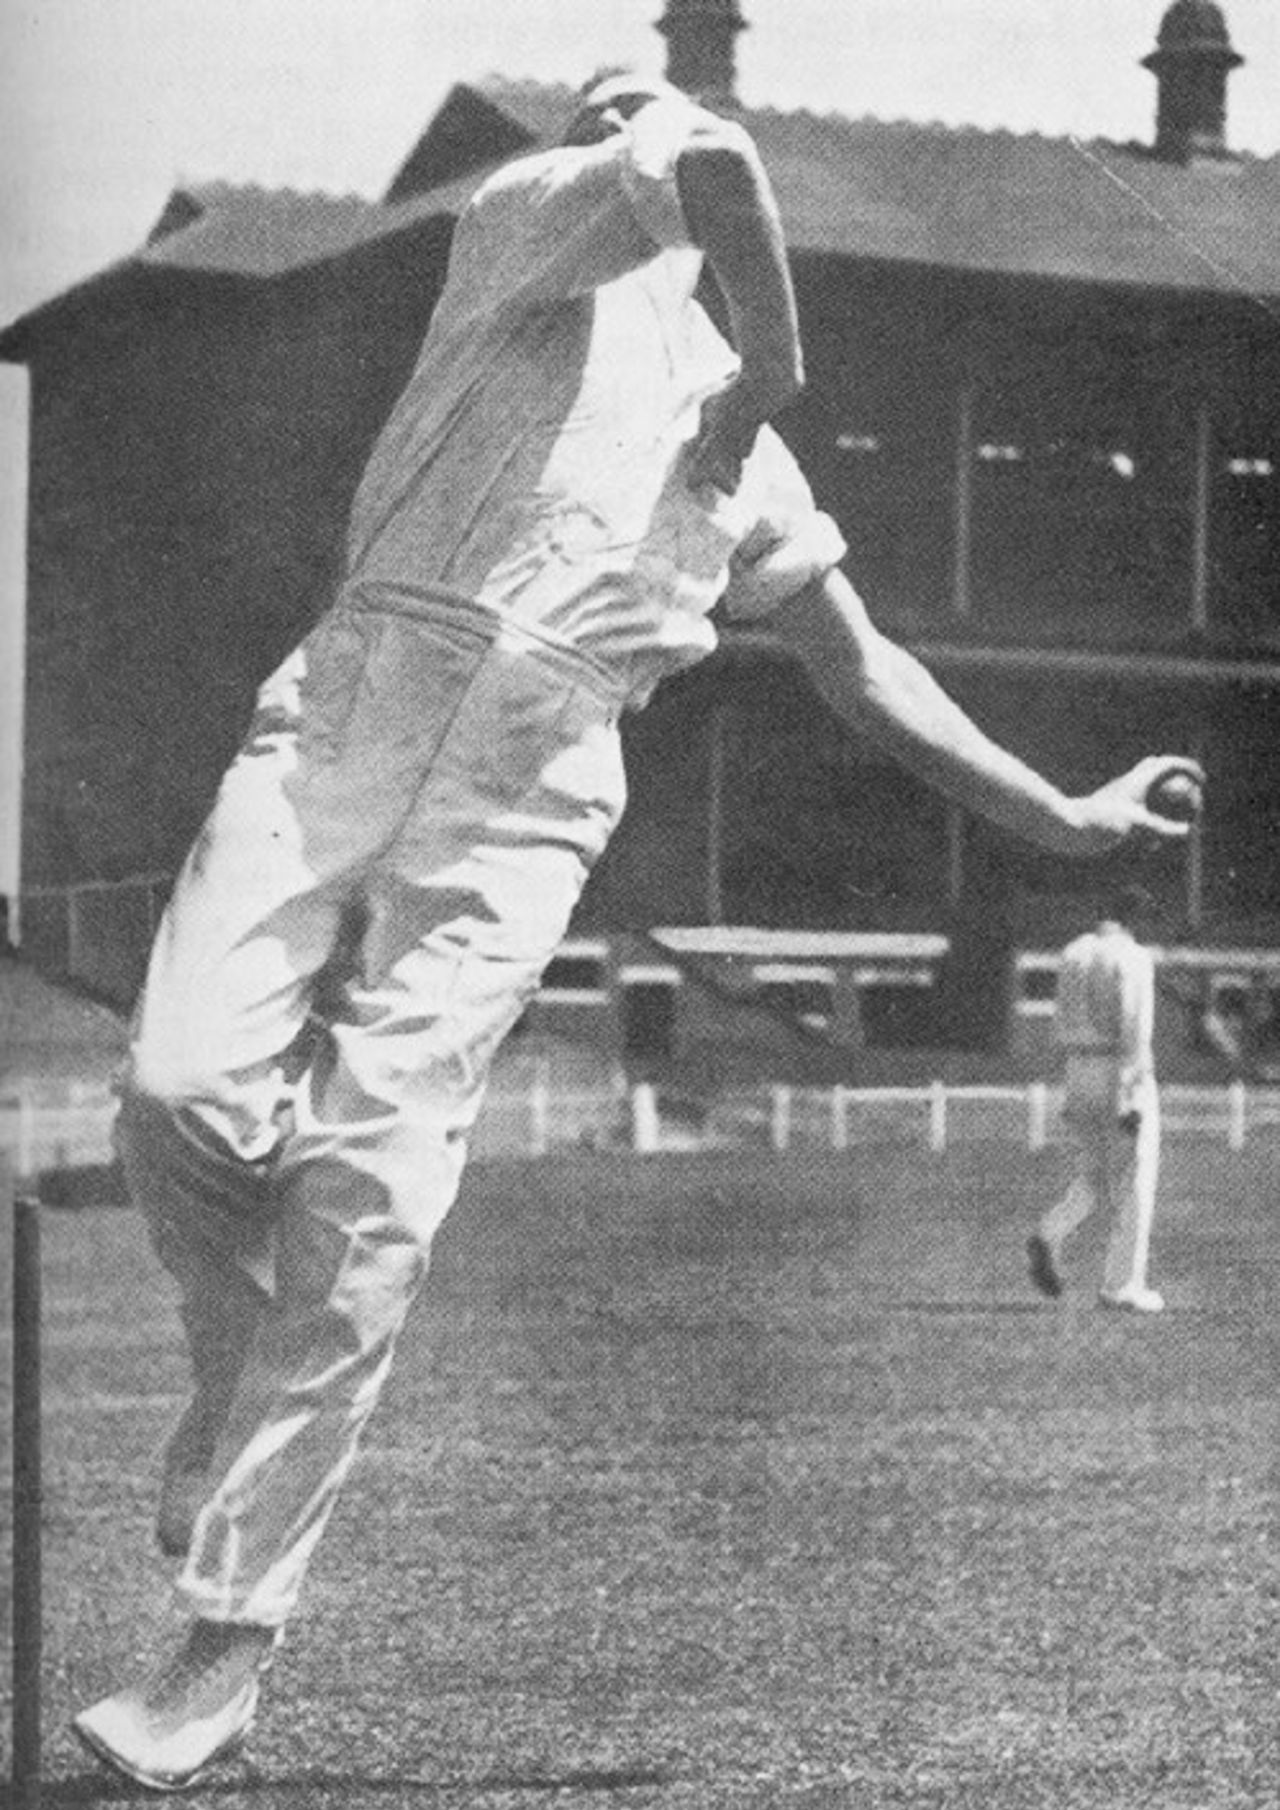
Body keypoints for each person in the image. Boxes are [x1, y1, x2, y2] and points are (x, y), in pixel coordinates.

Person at [74, 72, 1200, 1790]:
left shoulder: (754, 472)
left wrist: (1065, 813)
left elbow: (868, 673)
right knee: (179, 1097)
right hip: (356, 701)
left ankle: (219, 1650)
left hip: (532, 784)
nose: (613, 144)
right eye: (600, 126)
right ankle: (232, 1381)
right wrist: (772, 361)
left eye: (628, 115)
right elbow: (715, 160)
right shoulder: (522, 240)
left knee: (374, 1185)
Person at [1027, 888, 1164, 1314]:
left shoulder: (1073, 952)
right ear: (1136, 920)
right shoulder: (1134, 957)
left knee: (1092, 1175)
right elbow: (1135, 1029)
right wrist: (1130, 1097)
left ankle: (1049, 1233)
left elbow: (1060, 1019)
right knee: (1135, 1179)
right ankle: (1123, 1286)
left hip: (1077, 1070)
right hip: (1116, 1071)